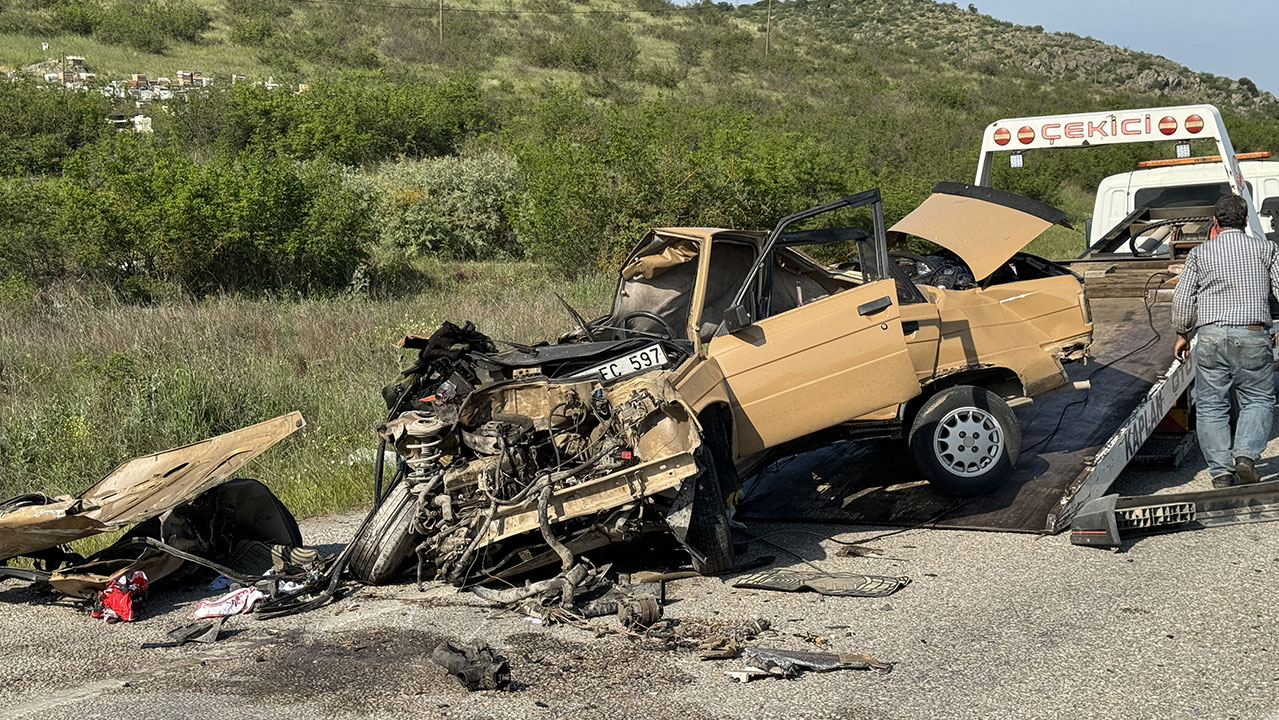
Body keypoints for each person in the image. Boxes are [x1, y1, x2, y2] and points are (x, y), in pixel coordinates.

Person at [1172, 194, 1279, 488]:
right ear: (1246, 221)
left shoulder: (1199, 254)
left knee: (1210, 404)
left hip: (1210, 336)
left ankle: (1220, 472)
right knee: (1258, 398)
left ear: (1216, 223)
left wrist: (1182, 333)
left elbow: (1182, 299)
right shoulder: (1266, 249)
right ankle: (1245, 456)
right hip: (1252, 333)